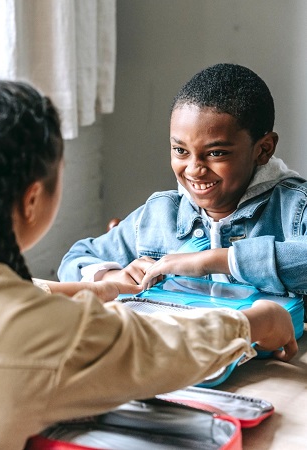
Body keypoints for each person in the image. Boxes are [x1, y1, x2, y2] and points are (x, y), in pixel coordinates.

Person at [0, 78, 297, 450]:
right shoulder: (51, 333)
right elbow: (165, 348)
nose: (194, 168)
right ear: (32, 198)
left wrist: (94, 289)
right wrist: (253, 324)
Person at [58, 63, 307, 296]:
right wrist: (110, 276)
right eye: (181, 151)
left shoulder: (294, 209)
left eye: (216, 153)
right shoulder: (159, 214)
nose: (194, 169)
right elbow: (76, 258)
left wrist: (216, 260)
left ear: (263, 149)